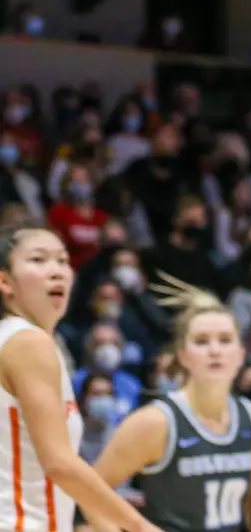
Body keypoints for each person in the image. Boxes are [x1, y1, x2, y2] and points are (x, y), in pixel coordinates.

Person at [0, 224, 161, 532]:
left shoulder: (15, 340)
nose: (57, 270)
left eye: (62, 260)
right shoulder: (28, 342)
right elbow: (60, 464)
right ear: (5, 282)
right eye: (39, 259)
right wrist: (139, 526)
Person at [92, 274, 251, 532]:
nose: (215, 350)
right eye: (201, 341)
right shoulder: (156, 422)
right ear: (182, 356)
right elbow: (92, 494)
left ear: (241, 354)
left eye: (225, 340)